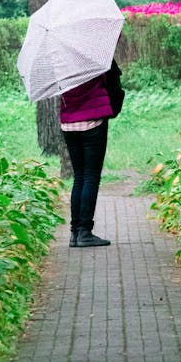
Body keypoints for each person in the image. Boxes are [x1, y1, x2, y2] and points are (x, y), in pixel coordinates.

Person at [60, 60, 123, 249]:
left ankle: (75, 233)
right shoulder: (94, 55)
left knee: (79, 177)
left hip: (69, 123)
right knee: (90, 177)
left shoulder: (61, 61)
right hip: (93, 122)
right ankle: (85, 232)